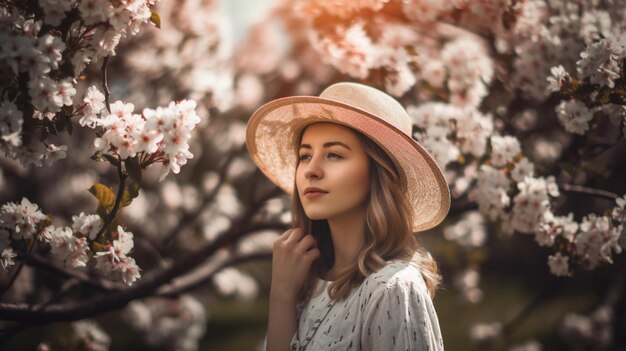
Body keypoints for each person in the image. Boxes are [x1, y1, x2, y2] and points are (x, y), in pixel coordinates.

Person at [246, 82, 450, 351]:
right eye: (305, 155)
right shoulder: (303, 283)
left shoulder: (393, 289)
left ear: (377, 174)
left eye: (334, 154)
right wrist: (281, 296)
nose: (311, 170)